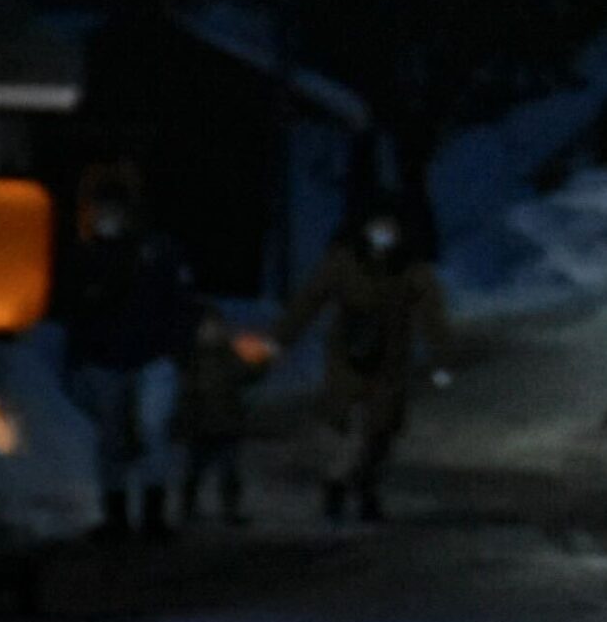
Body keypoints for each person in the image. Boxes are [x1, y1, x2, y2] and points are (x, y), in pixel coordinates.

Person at [276, 195, 452, 524]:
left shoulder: (411, 269)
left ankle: (366, 486)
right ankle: (336, 487)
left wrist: (440, 357)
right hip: (349, 358)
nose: (383, 234)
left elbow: (432, 314)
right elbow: (310, 299)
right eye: (377, 227)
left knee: (381, 432)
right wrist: (280, 339)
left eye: (390, 228)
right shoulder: (344, 261)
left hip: (390, 361)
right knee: (346, 430)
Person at [57, 163, 204, 542]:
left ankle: (152, 514)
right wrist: (78, 357)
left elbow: (181, 303)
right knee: (111, 439)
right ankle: (116, 515)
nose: (108, 218)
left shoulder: (157, 252)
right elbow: (74, 310)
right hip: (106, 360)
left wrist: (179, 350)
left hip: (152, 358)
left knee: (153, 432)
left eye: (114, 210)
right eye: (101, 211)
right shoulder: (86, 256)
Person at [174, 309, 267, 527]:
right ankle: (188, 509)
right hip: (201, 427)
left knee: (229, 472)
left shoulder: (231, 356)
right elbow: (186, 395)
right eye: (207, 328)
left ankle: (230, 510)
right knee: (195, 471)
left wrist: (260, 356)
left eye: (216, 327)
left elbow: (252, 374)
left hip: (227, 425)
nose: (212, 332)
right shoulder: (191, 361)